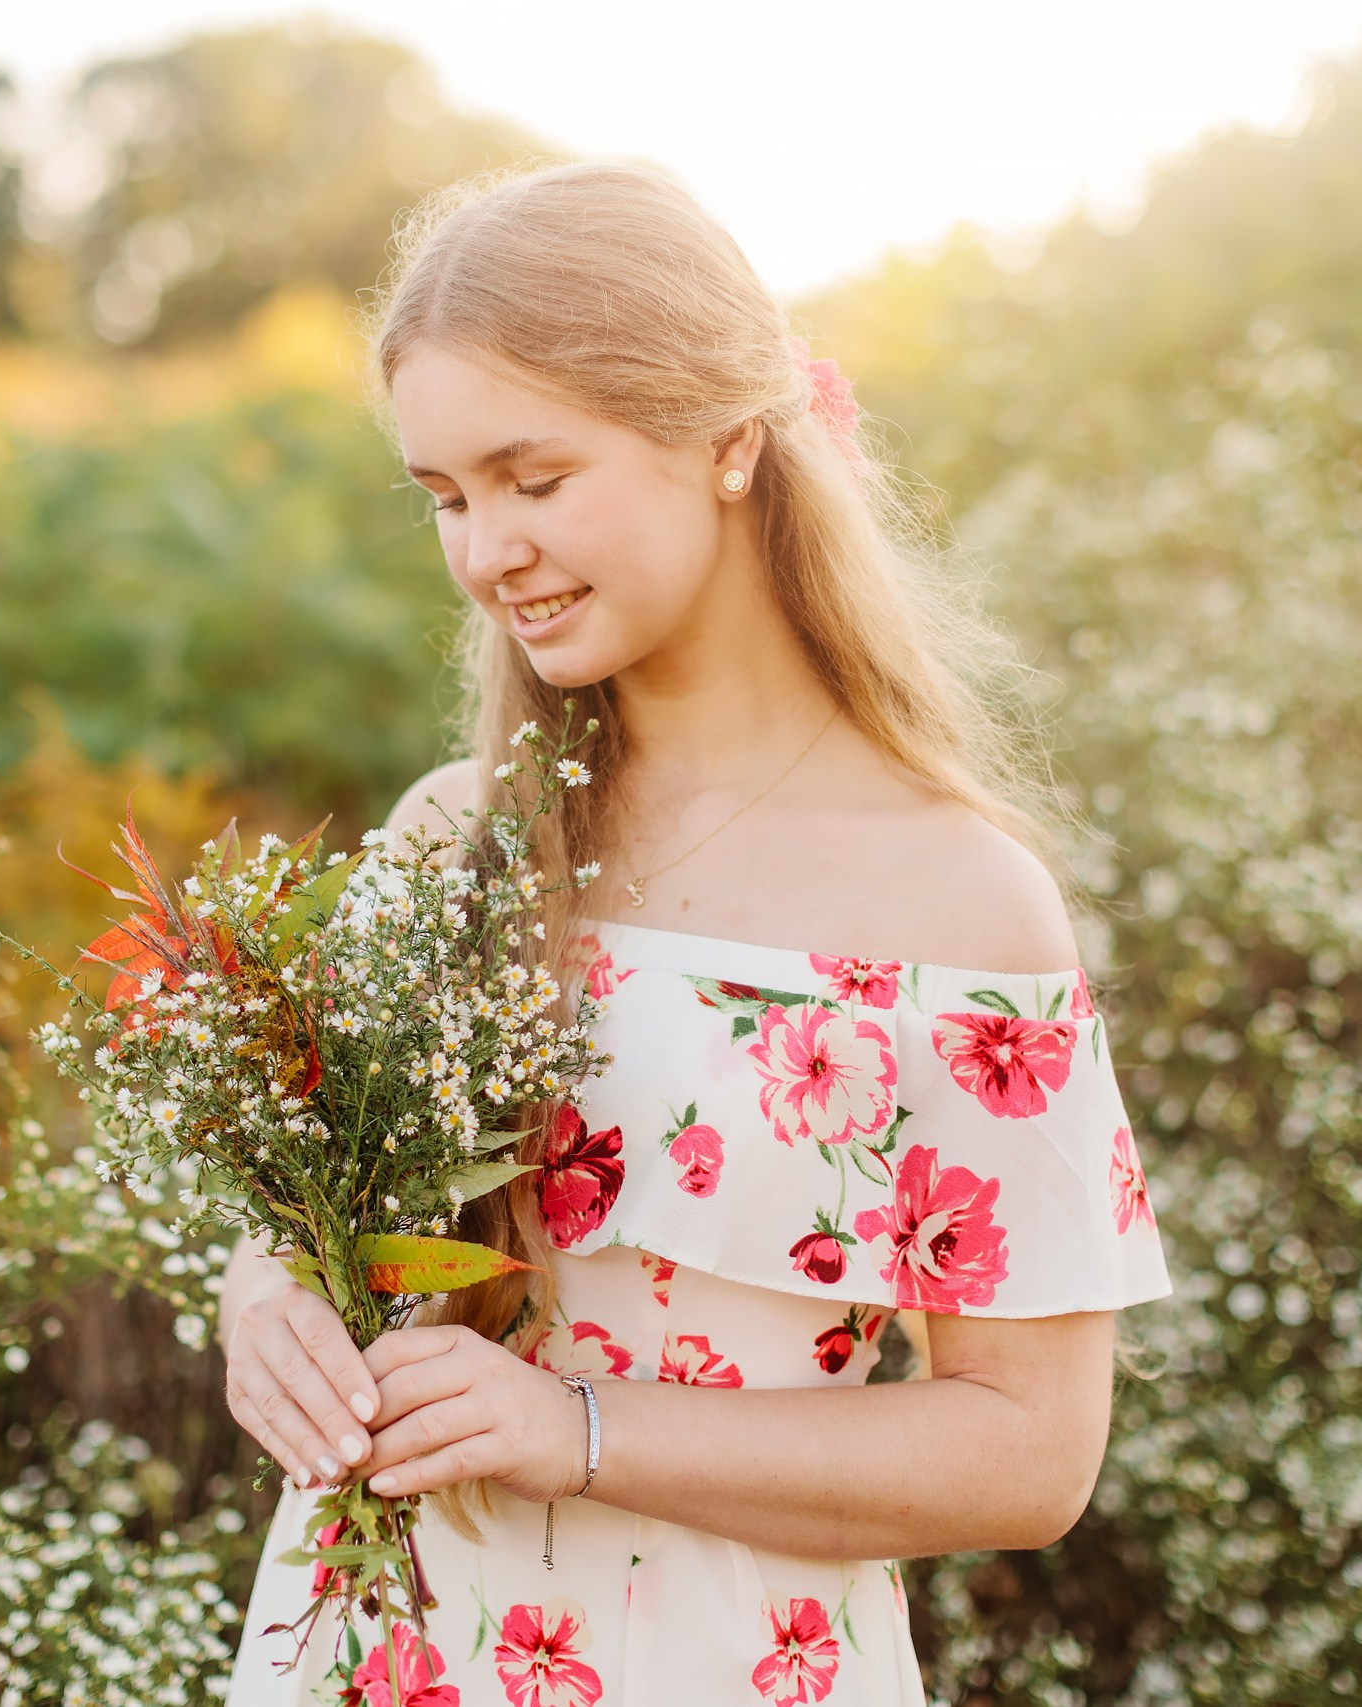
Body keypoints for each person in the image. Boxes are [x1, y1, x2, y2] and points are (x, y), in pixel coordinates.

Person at [218, 161, 1171, 1705]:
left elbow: (1031, 1454)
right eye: (447, 498)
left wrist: (577, 1434)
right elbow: (298, 1235)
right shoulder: (450, 841)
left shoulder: (958, 904)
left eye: (535, 479)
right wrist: (267, 1307)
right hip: (378, 1653)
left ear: (730, 441)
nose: (486, 553)